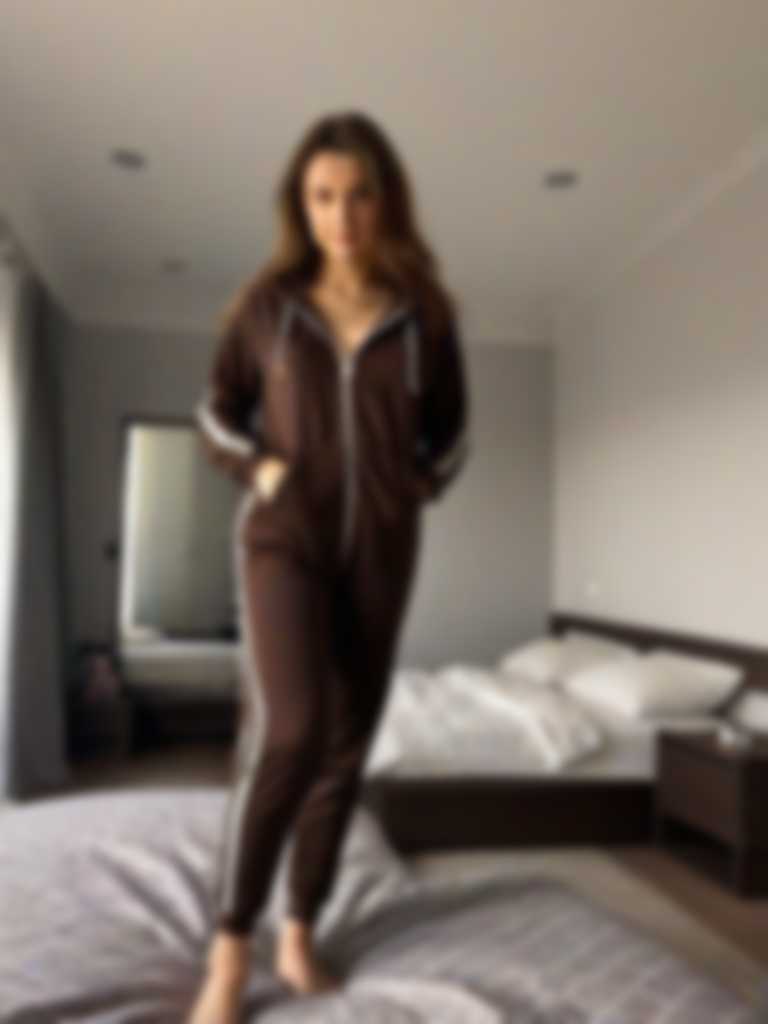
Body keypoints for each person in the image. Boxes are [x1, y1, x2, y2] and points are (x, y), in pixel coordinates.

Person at [186, 109, 470, 1023]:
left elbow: (453, 432)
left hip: (382, 548)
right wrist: (262, 469)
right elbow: (214, 413)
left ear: (386, 201)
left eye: (358, 196)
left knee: (348, 745)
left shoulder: (424, 316)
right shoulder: (268, 307)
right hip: (285, 540)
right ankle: (230, 951)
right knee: (292, 729)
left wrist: (416, 487)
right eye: (322, 197)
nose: (341, 217)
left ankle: (299, 931)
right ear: (299, 205)